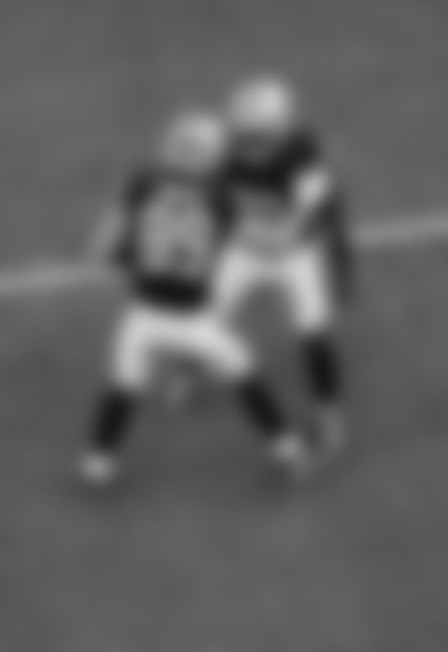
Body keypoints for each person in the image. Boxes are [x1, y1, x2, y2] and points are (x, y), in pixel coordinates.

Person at [79, 110, 313, 487]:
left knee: (123, 384)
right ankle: (288, 450)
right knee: (244, 371)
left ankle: (97, 463)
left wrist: (127, 259)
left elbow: (101, 248)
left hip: (142, 314)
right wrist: (301, 216)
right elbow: (270, 244)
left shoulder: (142, 182)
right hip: (193, 319)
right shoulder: (221, 199)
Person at [215, 75, 354, 455]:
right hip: (245, 248)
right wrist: (244, 234)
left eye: (258, 136)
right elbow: (217, 203)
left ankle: (329, 413)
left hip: (294, 254)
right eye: (246, 135)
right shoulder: (226, 150)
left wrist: (339, 265)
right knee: (204, 315)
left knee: (314, 333)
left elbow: (312, 219)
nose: (251, 144)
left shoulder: (303, 154)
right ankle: (185, 369)